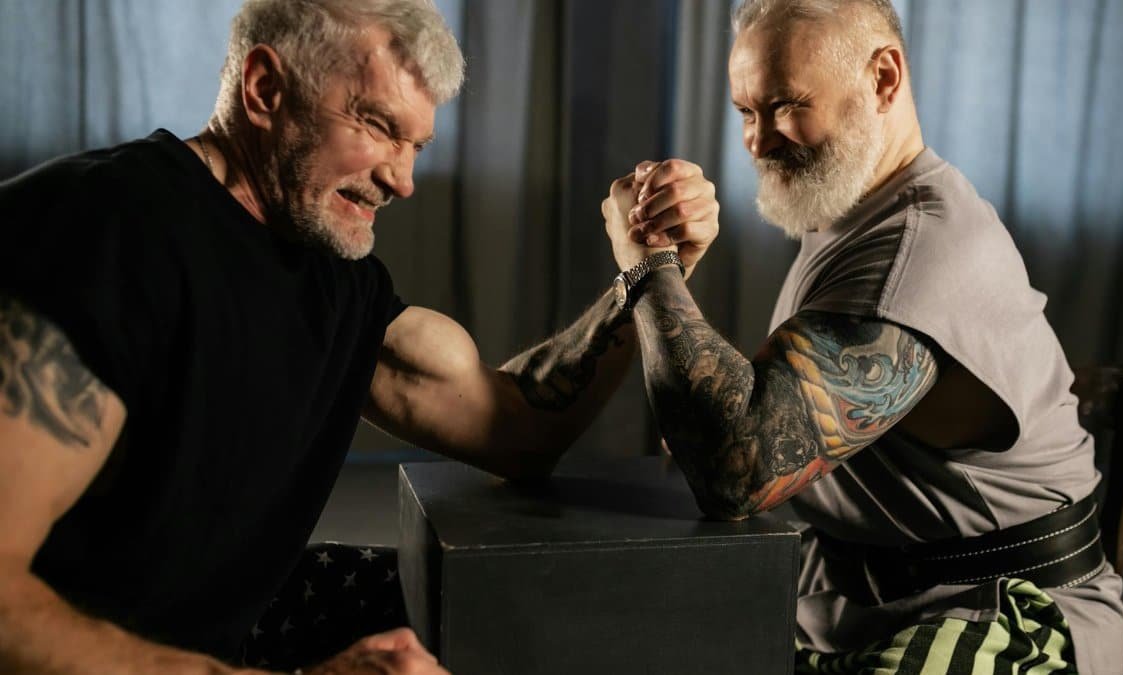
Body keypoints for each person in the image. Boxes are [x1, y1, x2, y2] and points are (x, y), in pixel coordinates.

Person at [0, 1, 719, 673]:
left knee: (508, 601)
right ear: (263, 89)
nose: (403, 181)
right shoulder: (95, 239)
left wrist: (651, 268)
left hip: (219, 627)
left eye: (416, 143)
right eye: (377, 125)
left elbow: (518, 423)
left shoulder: (337, 282)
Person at [602, 0, 1123, 672]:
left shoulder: (918, 247)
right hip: (858, 607)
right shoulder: (852, 210)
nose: (758, 141)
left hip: (1001, 610)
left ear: (884, 78)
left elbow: (738, 470)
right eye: (747, 111)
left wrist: (650, 264)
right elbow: (733, 430)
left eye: (788, 104)